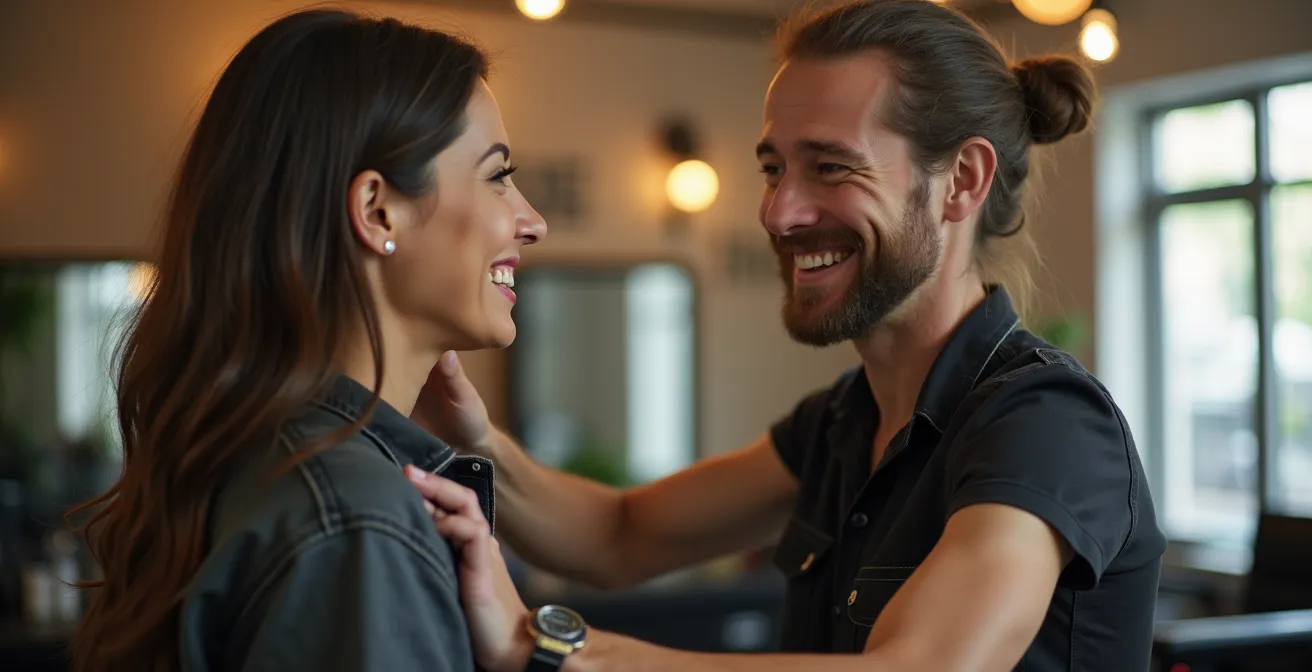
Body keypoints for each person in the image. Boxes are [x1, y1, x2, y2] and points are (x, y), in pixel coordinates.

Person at [410, 1, 1167, 671]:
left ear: (962, 181)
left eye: (831, 167)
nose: (779, 213)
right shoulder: (842, 424)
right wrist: (473, 438)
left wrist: (544, 647)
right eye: (774, 169)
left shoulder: (1048, 424)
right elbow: (620, 535)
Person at [66, 9, 545, 672]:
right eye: (497, 176)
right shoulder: (357, 521)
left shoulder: (261, 458)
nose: (533, 222)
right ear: (378, 211)